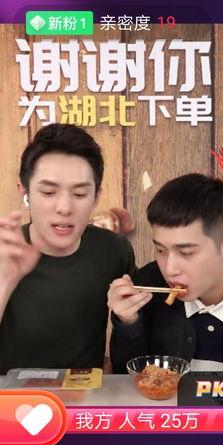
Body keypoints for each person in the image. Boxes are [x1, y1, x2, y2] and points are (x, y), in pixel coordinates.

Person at [0, 124, 135, 374]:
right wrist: (5, 281)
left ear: (96, 197)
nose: (64, 207)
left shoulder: (114, 250)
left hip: (85, 395)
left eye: (80, 194)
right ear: (25, 192)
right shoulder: (4, 251)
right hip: (11, 396)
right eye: (49, 192)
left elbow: (132, 353)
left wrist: (129, 321)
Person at [109, 174, 223, 373]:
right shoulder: (147, 283)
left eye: (186, 253)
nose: (170, 270)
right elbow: (128, 379)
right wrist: (129, 324)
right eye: (161, 250)